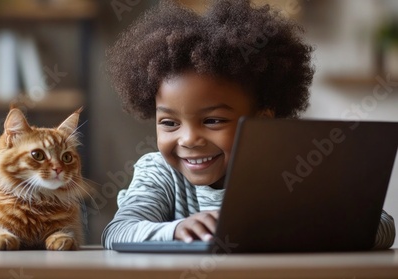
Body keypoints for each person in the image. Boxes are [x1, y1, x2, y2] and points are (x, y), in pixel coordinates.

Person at [101, 0, 395, 249]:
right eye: (168, 122)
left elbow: (382, 226)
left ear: (261, 120)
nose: (188, 139)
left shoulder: (295, 168)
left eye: (213, 120)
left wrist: (307, 226)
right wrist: (175, 231)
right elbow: (117, 232)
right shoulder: (160, 174)